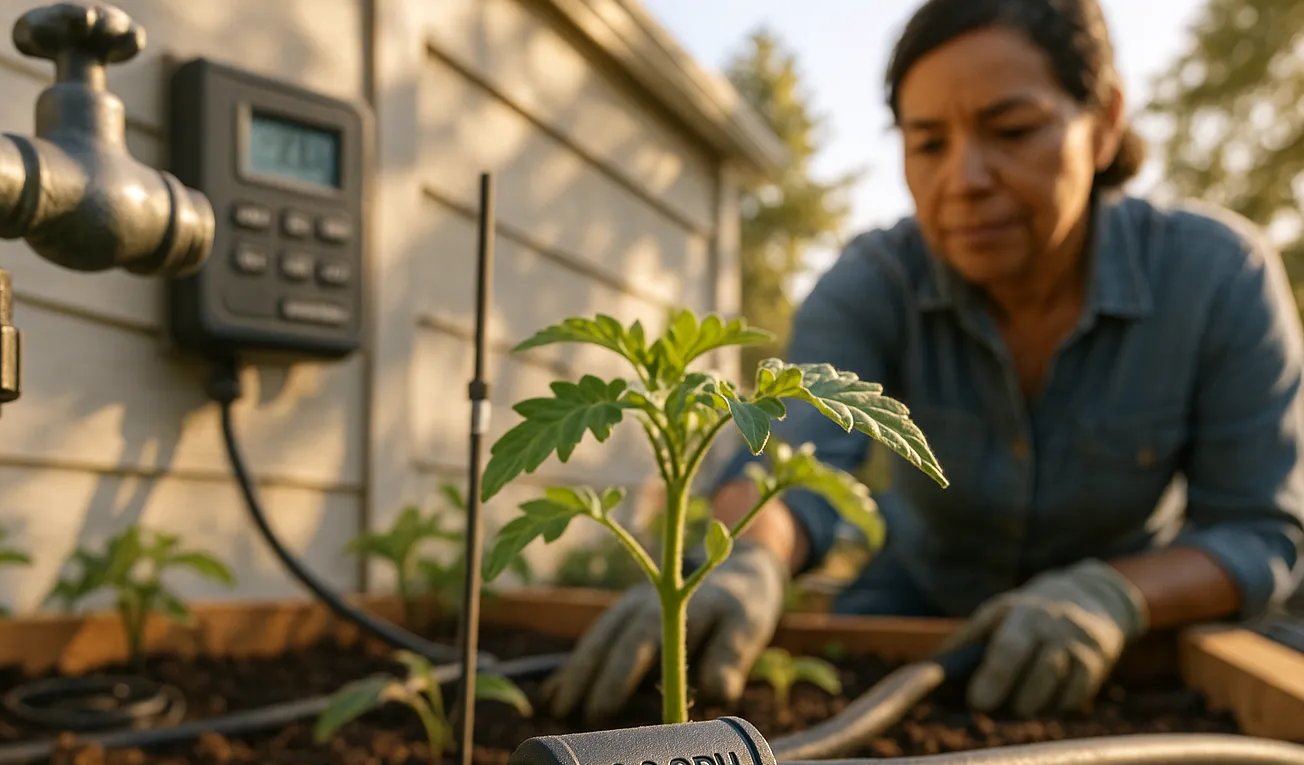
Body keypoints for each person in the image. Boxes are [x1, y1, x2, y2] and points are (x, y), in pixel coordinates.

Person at [542, 0, 1304, 726]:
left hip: (1124, 643)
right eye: (928, 143)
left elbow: (1259, 531)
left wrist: (1115, 596)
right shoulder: (875, 284)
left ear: (1105, 123)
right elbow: (795, 457)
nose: (964, 181)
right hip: (912, 614)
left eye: (1010, 130)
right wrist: (744, 559)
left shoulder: (1216, 278)